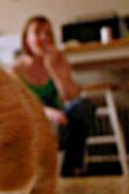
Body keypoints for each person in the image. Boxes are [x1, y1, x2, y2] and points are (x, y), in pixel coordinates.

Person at [11, 15, 96, 177]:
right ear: (26, 39)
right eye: (37, 33)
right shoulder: (16, 70)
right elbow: (22, 106)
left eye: (48, 33)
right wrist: (47, 113)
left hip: (63, 120)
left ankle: (70, 168)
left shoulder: (58, 60)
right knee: (50, 124)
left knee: (84, 106)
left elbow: (71, 97)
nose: (44, 37)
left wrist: (54, 70)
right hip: (34, 123)